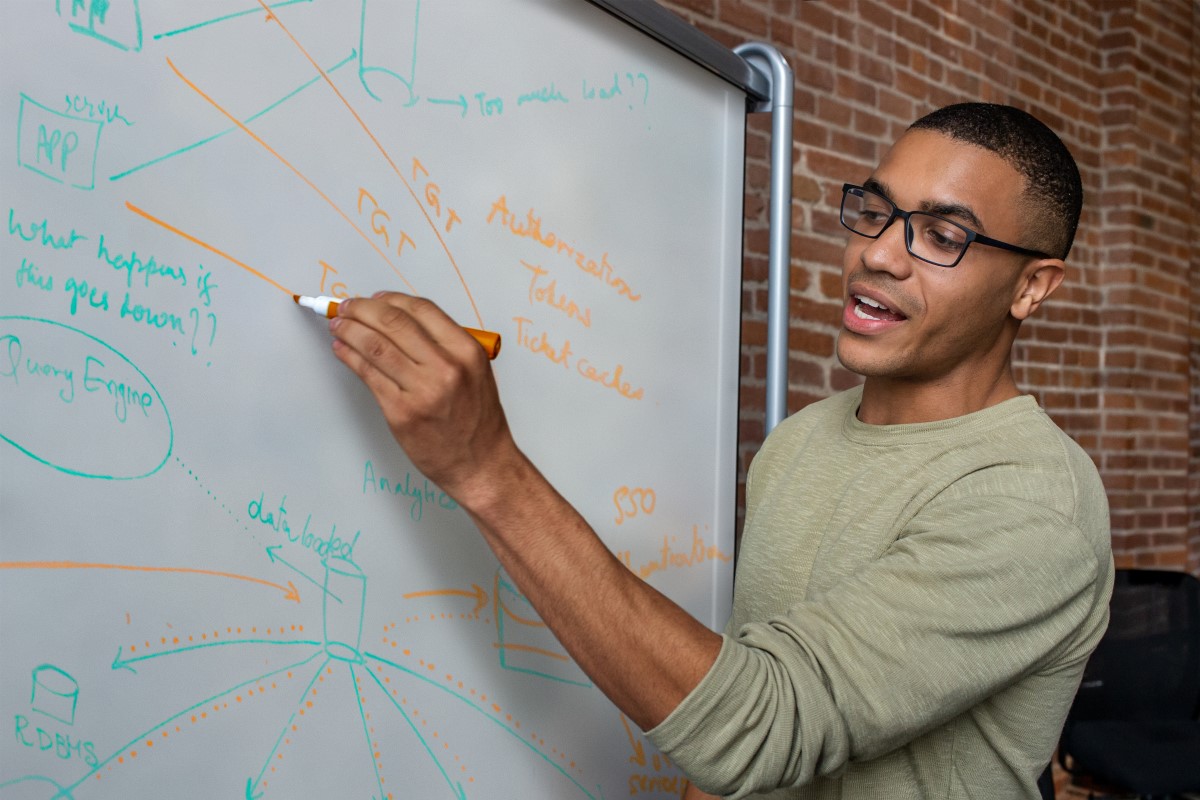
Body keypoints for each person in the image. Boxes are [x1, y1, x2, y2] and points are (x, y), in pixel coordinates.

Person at [326, 102, 1113, 799]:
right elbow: (734, 736)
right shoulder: (801, 441)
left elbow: (759, 726)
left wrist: (485, 470)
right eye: (874, 211)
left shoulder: (1031, 502)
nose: (878, 253)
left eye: (942, 235)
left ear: (1033, 288)